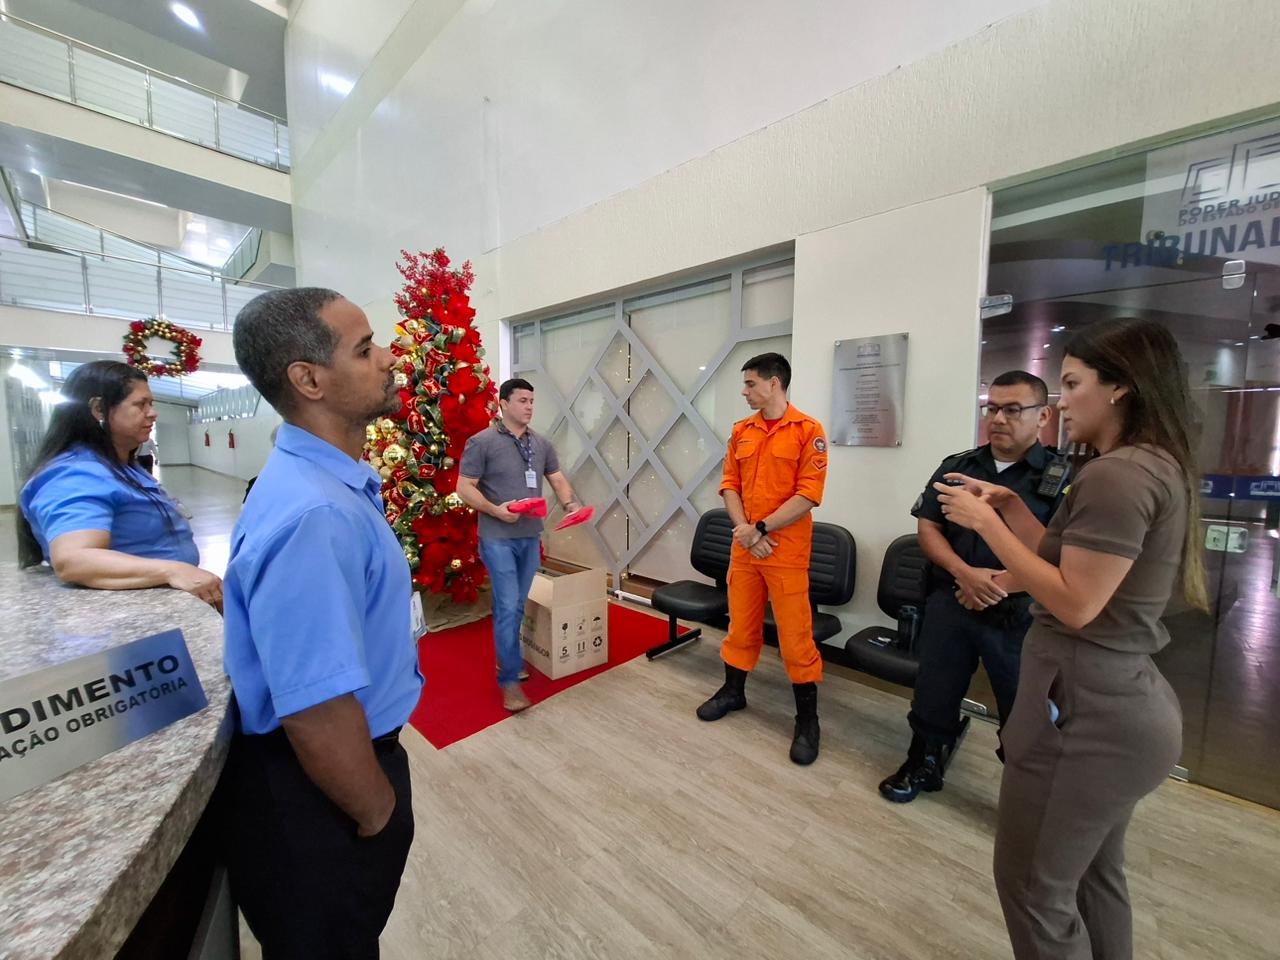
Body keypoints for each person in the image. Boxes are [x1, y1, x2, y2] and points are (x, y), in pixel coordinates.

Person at [935, 317, 1203, 959]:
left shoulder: (1118, 474)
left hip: (1085, 711)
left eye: (1073, 383)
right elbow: (1068, 568)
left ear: (1120, 389)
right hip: (1118, 702)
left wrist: (983, 526)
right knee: (1090, 877)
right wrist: (1010, 509)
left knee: (1032, 890)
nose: (1062, 401)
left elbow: (1077, 602)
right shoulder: (1148, 467)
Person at [221, 288, 424, 959]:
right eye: (365, 349)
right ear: (307, 379)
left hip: (333, 771)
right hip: (323, 790)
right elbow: (314, 708)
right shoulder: (315, 515)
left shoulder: (322, 485)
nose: (390, 358)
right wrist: (374, 810)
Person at [879, 370, 1063, 802]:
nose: (998, 418)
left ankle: (1027, 792)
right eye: (992, 408)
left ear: (1043, 415)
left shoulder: (1061, 478)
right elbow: (928, 527)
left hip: (1019, 615)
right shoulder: (958, 466)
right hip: (952, 601)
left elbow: (1061, 556)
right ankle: (924, 762)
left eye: (1013, 409)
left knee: (1024, 708)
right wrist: (964, 573)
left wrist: (993, 585)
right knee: (934, 690)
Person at [696, 352, 828, 765]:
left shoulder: (808, 431)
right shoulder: (742, 431)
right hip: (747, 549)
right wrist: (745, 532)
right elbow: (729, 483)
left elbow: (808, 495)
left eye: (751, 383)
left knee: (795, 639)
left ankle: (808, 720)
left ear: (775, 383)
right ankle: (734, 692)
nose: (745, 390)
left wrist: (762, 530)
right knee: (741, 627)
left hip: (784, 552)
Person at [17, 360, 222, 611]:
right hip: (133, 610)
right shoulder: (78, 474)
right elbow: (74, 559)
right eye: (140, 404)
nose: (152, 412)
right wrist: (171, 570)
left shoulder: (121, 464)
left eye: (152, 403)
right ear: (99, 409)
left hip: (164, 602)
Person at [456, 378, 580, 712]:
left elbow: (556, 479)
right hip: (497, 538)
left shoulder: (541, 444)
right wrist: (495, 510)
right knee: (508, 604)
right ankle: (510, 681)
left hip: (529, 535)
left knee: (517, 604)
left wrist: (571, 505)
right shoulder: (481, 442)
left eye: (532, 401)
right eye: (523, 400)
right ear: (504, 403)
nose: (529, 407)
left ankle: (505, 660)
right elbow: (464, 487)